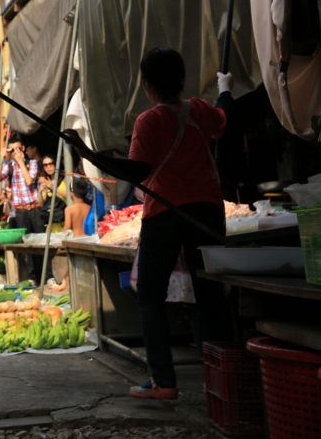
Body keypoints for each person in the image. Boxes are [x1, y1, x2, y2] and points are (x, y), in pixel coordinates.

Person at [66, 48, 235, 400]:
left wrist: (87, 153)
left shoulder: (150, 120)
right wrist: (225, 89)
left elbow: (137, 171)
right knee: (209, 296)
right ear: (181, 80)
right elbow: (224, 119)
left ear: (147, 85)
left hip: (168, 214)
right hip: (207, 211)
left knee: (149, 297)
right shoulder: (200, 109)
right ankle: (224, 380)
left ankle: (163, 381)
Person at [0, 141, 43, 233]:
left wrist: (21, 162)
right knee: (24, 241)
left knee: (40, 239)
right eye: (12, 150)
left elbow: (29, 181)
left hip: (35, 208)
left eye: (18, 149)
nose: (15, 152)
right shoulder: (9, 165)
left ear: (23, 148)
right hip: (20, 210)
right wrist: (0, 161)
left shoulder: (32, 162)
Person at [37, 154, 67, 232]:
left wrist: (53, 188)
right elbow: (41, 203)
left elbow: (71, 195)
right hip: (52, 220)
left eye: (51, 164)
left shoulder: (65, 179)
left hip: (64, 219)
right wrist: (40, 191)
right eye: (45, 165)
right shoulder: (46, 181)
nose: (48, 167)